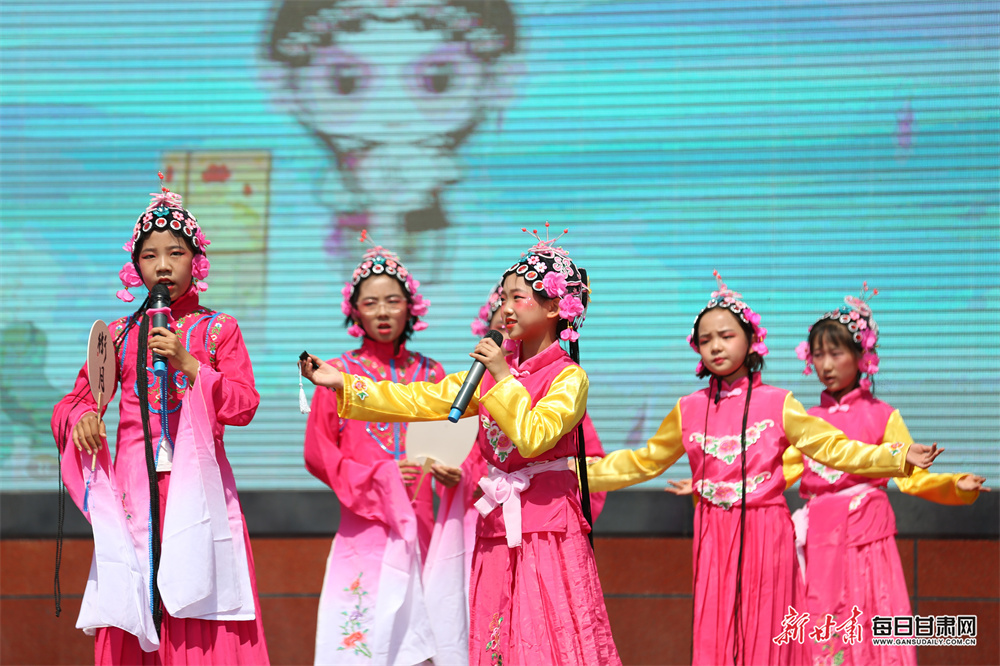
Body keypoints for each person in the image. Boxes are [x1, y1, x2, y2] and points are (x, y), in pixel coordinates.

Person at [584, 271, 943, 666]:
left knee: (770, 636)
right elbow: (643, 460)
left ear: (751, 340)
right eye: (706, 340)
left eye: (726, 336)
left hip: (767, 532)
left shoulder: (779, 403)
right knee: (716, 630)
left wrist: (895, 456)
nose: (716, 347)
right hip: (712, 532)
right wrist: (576, 472)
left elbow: (834, 449)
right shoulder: (688, 409)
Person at [301, 225, 621, 665]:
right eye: (502, 297)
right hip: (494, 529)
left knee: (546, 635)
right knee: (494, 635)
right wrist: (346, 384)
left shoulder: (569, 377)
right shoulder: (492, 372)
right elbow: (420, 398)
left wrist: (504, 376)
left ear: (553, 307)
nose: (503, 307)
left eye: (516, 297)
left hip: (547, 530)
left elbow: (535, 436)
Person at [51, 176, 269, 663]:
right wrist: (84, 415)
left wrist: (191, 365)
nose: (164, 265)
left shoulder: (218, 329)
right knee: (137, 608)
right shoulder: (116, 335)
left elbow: (244, 405)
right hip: (136, 498)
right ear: (136, 267)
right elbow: (70, 404)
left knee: (203, 613)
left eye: (176, 253)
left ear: (197, 261)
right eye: (150, 255)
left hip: (199, 494)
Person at [785, 284, 987, 666]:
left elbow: (911, 476)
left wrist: (954, 484)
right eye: (818, 355)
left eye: (836, 352)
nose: (826, 365)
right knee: (822, 630)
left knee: (873, 619)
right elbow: (780, 473)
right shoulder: (805, 421)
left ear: (862, 356)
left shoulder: (883, 414)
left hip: (867, 541)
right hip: (820, 540)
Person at [265, 0, 520, 279]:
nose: (392, 113)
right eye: (346, 81)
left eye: (438, 79)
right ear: (286, 83)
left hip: (426, 229)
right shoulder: (338, 186)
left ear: (498, 79)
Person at [302, 232, 464, 664]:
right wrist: (381, 476)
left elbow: (457, 445)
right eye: (370, 303)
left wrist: (454, 471)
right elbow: (319, 453)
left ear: (411, 306)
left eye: (392, 300)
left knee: (428, 646)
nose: (383, 311)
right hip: (366, 524)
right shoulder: (336, 374)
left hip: (424, 522)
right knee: (363, 641)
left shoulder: (434, 372)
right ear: (354, 310)